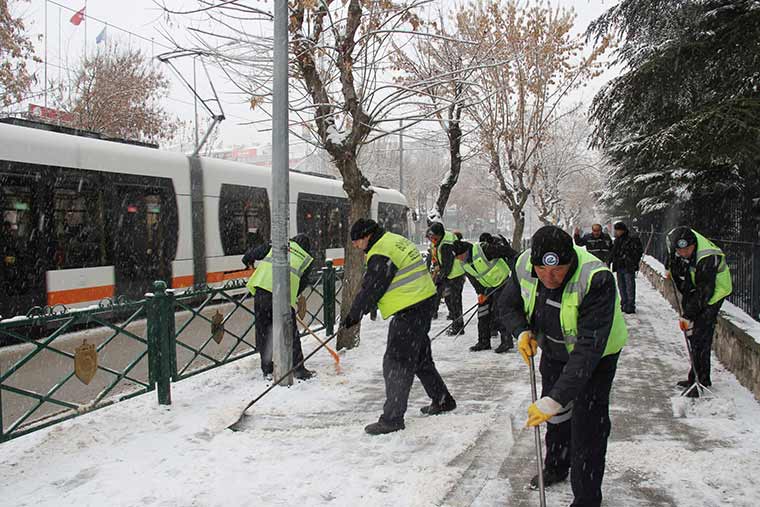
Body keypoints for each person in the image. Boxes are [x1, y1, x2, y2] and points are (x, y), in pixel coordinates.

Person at [499, 225, 627, 506]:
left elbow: (588, 349)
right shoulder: (523, 264)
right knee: (556, 418)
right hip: (554, 351)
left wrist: (556, 398)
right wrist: (521, 330)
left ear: (571, 258)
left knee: (588, 425)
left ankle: (586, 497)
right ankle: (556, 466)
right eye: (542, 270)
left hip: (597, 357)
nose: (549, 277)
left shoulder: (596, 278)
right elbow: (507, 304)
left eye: (557, 269)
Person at [343, 218, 456, 435]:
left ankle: (392, 418)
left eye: (357, 241)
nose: (356, 246)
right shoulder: (394, 240)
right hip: (422, 302)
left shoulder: (381, 251)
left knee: (396, 362)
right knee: (420, 358)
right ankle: (442, 400)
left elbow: (372, 287)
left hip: (410, 308)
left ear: (367, 236)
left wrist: (354, 315)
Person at [666, 226, 732, 396]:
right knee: (693, 336)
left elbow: (705, 293)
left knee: (701, 335)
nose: (684, 253)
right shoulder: (675, 244)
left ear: (694, 245)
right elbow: (672, 259)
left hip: (715, 292)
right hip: (696, 287)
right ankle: (694, 375)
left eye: (687, 250)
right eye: (680, 250)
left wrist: (688, 316)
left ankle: (701, 380)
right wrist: (670, 269)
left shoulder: (707, 258)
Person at [246, 233, 315, 380]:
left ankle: (267, 369)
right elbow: (303, 283)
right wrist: (292, 297)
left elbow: (252, 254)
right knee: (290, 333)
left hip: (261, 292)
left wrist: (248, 260)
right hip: (282, 295)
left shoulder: (277, 244)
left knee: (264, 331)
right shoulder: (307, 259)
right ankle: (298, 369)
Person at [452, 236, 518, 353]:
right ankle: (483, 342)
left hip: (502, 283)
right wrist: (481, 293)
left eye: (458, 256)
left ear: (464, 252)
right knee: (482, 313)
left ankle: (506, 341)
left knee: (499, 312)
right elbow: (474, 279)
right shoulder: (464, 263)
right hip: (487, 287)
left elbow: (507, 251)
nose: (458, 259)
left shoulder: (484, 250)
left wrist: (515, 267)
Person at [427, 222, 465, 335]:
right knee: (450, 300)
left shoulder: (446, 245)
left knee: (455, 301)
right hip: (451, 275)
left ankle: (458, 327)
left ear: (439, 234)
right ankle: (456, 324)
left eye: (434, 236)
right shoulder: (442, 239)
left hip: (455, 275)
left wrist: (440, 278)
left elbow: (447, 266)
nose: (432, 238)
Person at [610, 222, 644, 313]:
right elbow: (614, 252)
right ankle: (624, 303)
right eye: (616, 230)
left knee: (629, 286)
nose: (616, 232)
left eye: (618, 230)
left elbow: (639, 251)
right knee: (621, 286)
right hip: (619, 266)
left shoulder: (632, 239)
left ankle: (630, 305)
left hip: (628, 266)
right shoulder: (617, 240)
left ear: (622, 230)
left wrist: (631, 259)